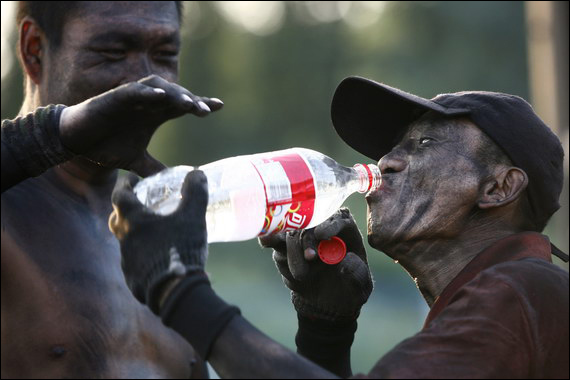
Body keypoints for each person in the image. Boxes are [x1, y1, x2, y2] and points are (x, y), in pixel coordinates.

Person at [110, 76, 569, 378]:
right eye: (392, 148)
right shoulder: (502, 299)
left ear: (497, 187)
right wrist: (326, 327)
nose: (385, 162)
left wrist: (179, 290)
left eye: (424, 143)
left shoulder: (520, 291)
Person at [1, 2, 224, 378]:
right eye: (112, 53)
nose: (147, 80)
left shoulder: (161, 228)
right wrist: (56, 131)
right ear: (34, 49)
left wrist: (323, 330)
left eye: (165, 54)